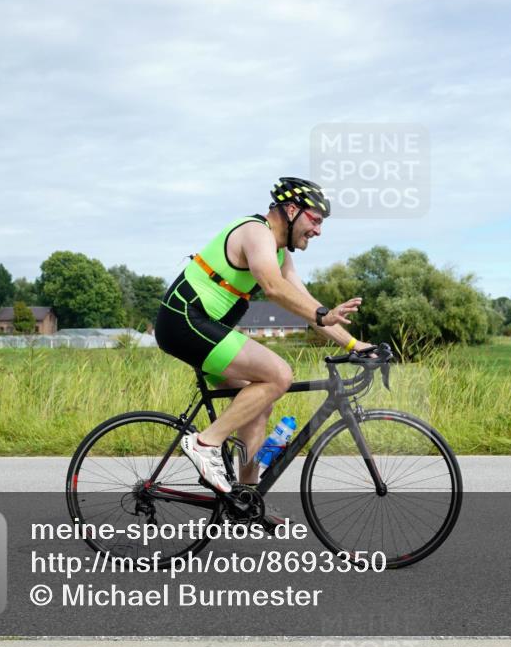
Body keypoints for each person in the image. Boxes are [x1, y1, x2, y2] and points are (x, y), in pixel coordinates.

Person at [155, 177, 372, 499]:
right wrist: (320, 313)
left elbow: (308, 307)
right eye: (315, 220)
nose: (318, 231)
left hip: (205, 327)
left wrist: (356, 345)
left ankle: (245, 496)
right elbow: (272, 287)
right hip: (185, 319)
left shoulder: (281, 255)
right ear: (291, 209)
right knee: (279, 374)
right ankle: (204, 443)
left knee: (257, 407)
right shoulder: (255, 232)